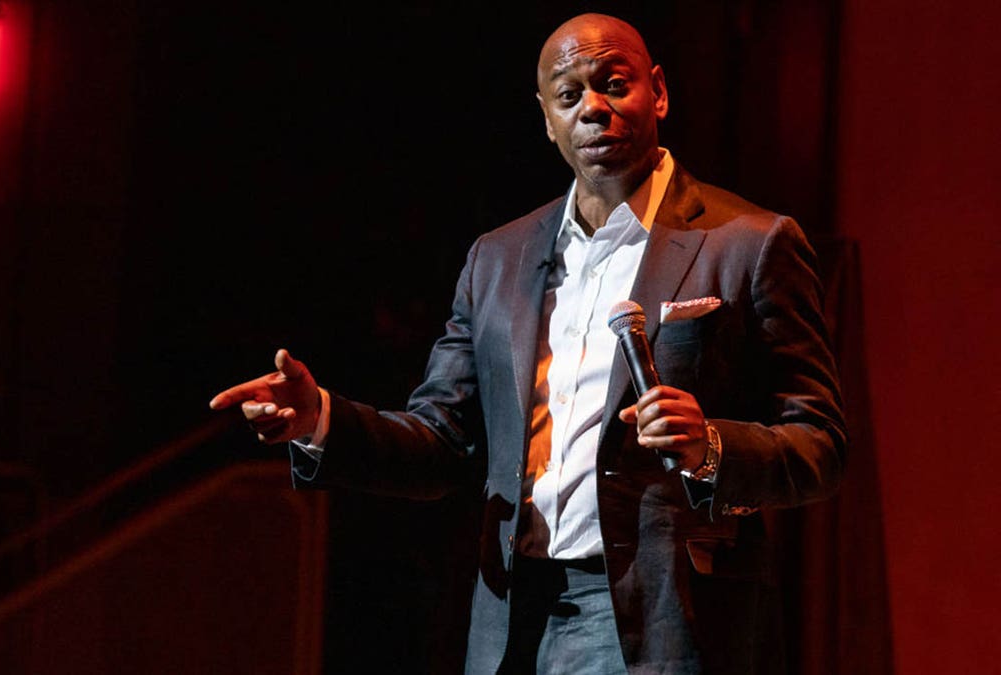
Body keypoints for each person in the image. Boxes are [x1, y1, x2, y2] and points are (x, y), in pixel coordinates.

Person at [210, 12, 845, 675]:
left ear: (657, 91)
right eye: (570, 96)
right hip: (516, 618)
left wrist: (712, 445)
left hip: (667, 619)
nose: (593, 108)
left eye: (614, 84)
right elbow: (442, 444)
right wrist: (321, 420)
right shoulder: (498, 259)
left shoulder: (750, 242)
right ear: (547, 119)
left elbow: (821, 442)